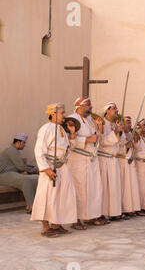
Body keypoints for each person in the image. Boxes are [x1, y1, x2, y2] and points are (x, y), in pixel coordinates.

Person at [31, 103, 78, 238]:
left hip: (63, 166)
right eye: (62, 113)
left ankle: (56, 224)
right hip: (51, 167)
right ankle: (46, 228)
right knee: (47, 196)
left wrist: (73, 133)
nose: (64, 115)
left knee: (63, 195)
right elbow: (39, 150)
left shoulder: (62, 129)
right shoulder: (46, 129)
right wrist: (46, 169)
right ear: (53, 114)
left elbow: (70, 148)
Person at [67, 97, 105, 229]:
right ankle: (75, 219)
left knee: (93, 189)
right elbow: (69, 139)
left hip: (91, 160)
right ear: (79, 106)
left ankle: (90, 216)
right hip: (78, 161)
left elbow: (97, 137)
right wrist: (87, 139)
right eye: (88, 105)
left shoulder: (90, 121)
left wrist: (99, 128)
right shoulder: (71, 120)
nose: (91, 107)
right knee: (79, 190)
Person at [98, 102, 125, 221]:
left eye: (116, 108)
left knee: (114, 187)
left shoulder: (115, 124)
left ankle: (114, 212)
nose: (117, 110)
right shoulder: (102, 124)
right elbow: (102, 142)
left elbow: (119, 142)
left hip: (114, 159)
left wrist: (119, 132)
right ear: (107, 111)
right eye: (114, 108)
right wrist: (115, 133)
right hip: (104, 158)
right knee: (105, 187)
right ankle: (102, 212)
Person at [0, 133, 38, 213]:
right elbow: (21, 167)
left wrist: (32, 170)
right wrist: (34, 170)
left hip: (12, 174)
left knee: (36, 178)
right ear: (19, 142)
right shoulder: (11, 150)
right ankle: (31, 205)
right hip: (4, 175)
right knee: (25, 180)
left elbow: (20, 166)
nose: (24, 145)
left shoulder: (14, 150)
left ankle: (38, 203)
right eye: (24, 143)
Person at [118, 116, 141, 218]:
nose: (130, 125)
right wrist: (125, 147)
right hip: (122, 161)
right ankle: (124, 209)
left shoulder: (130, 134)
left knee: (131, 187)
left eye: (130, 123)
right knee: (124, 187)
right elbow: (115, 148)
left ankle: (131, 208)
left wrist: (134, 142)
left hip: (130, 163)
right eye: (128, 122)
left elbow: (135, 149)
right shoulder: (119, 134)